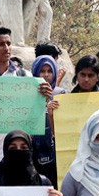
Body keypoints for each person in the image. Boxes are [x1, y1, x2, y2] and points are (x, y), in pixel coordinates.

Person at [0, 27, 51, 191]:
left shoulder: (26, 78)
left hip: (20, 155)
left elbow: (36, 113)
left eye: (8, 43)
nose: (6, 48)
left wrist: (45, 96)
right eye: (1, 44)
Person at [30, 54, 63, 187]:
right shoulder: (26, 95)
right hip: (33, 152)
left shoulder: (61, 94)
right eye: (42, 71)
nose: (46, 75)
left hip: (55, 153)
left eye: (50, 71)